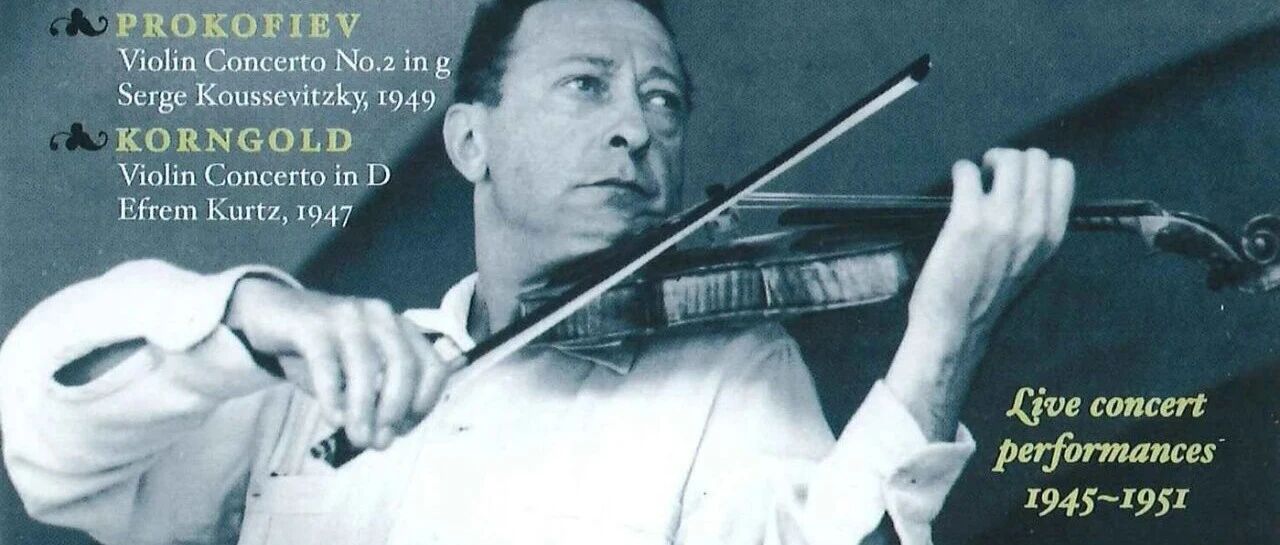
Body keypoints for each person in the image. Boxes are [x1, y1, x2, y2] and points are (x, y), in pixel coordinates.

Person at [0, 0, 1075, 544]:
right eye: (586, 85)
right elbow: (48, 443)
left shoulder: (730, 372)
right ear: (471, 139)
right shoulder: (318, 380)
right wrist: (248, 316)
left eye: (662, 100)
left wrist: (941, 345)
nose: (635, 129)